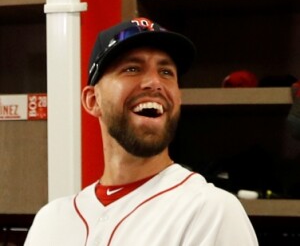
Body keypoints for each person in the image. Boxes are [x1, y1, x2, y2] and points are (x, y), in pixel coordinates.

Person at [25, 17, 258, 246]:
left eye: (166, 72)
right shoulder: (50, 222)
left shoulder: (210, 212)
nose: (154, 83)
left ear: (178, 98)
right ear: (93, 100)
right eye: (132, 68)